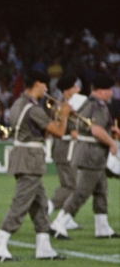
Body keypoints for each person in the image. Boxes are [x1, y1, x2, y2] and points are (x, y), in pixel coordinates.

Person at [0, 70, 70, 260]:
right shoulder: (33, 108)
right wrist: (64, 115)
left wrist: (54, 117)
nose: (46, 89)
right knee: (21, 203)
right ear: (37, 84)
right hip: (30, 160)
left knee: (40, 204)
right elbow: (59, 133)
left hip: (22, 156)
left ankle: (44, 247)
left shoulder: (18, 103)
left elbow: (41, 131)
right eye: (45, 85)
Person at [50, 72, 119, 240]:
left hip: (90, 153)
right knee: (81, 192)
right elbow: (96, 130)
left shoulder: (87, 103)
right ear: (102, 90)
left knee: (101, 190)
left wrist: (110, 131)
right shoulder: (98, 106)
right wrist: (112, 143)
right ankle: (59, 223)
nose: (112, 92)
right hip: (92, 154)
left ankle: (102, 226)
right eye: (110, 89)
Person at [47, 74, 82, 228]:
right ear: (66, 91)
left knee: (73, 184)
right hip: (65, 149)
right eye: (75, 87)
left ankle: (65, 217)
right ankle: (47, 208)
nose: (78, 89)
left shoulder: (64, 105)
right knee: (69, 185)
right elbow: (72, 132)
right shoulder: (63, 107)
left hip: (67, 149)